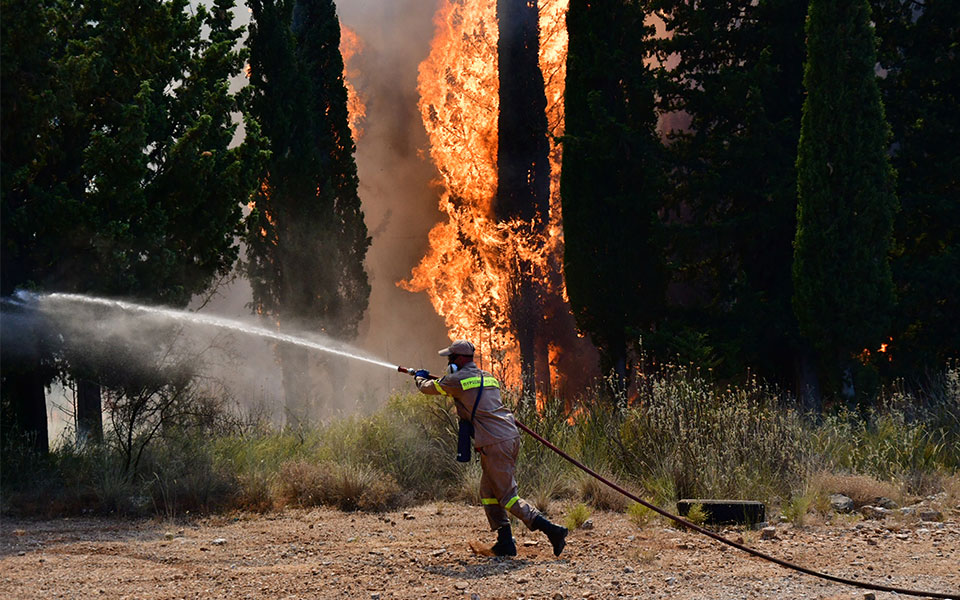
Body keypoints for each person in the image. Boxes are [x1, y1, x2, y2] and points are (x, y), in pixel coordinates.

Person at [414, 339, 568, 557]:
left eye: (449, 358)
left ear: (457, 360)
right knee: (488, 492)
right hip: (508, 436)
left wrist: (419, 377)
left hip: (494, 442)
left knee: (508, 497)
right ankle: (505, 541)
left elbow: (429, 388)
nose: (448, 361)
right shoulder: (487, 377)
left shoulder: (458, 379)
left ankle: (552, 531)